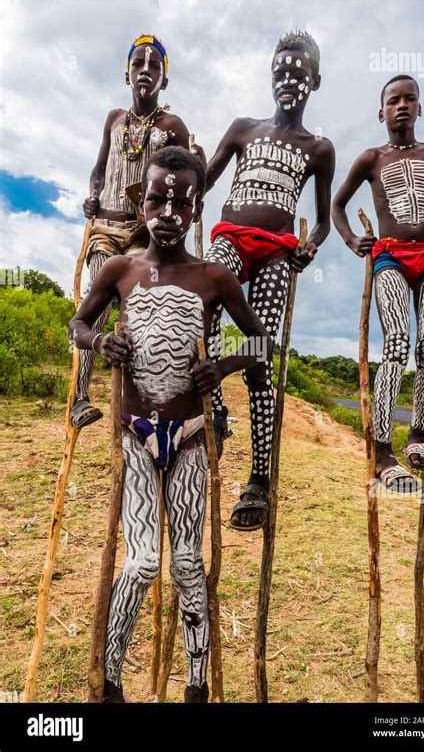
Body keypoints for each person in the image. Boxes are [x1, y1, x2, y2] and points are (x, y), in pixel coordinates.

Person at [68, 147, 271, 702]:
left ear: (197, 208)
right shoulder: (122, 268)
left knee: (186, 563)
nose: (167, 211)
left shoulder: (214, 277)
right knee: (139, 563)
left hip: (187, 439)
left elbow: (259, 341)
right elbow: (78, 322)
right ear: (142, 198)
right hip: (135, 434)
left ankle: (196, 687)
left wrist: (221, 366)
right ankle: (109, 680)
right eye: (157, 197)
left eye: (181, 201)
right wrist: (101, 341)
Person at [204, 30, 335, 529]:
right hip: (231, 237)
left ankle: (258, 478)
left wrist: (310, 246)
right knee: (204, 299)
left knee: (261, 355)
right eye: (281, 71)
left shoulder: (318, 148)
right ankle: (216, 407)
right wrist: (188, 174)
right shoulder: (243, 128)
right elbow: (209, 175)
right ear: (270, 75)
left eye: (299, 73)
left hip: (278, 253)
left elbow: (322, 219)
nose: (288, 80)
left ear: (315, 82)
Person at [331, 74, 424, 492]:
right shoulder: (370, 158)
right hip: (390, 256)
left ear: (420, 108)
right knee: (396, 342)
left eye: (410, 99)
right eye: (394, 100)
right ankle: (381, 451)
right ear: (381, 112)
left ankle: (419, 437)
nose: (402, 105)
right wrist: (352, 239)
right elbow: (336, 204)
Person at [71, 33, 204, 429]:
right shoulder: (114, 119)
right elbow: (99, 168)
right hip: (105, 229)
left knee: (145, 313)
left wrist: (194, 192)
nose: (145, 70)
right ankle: (80, 397)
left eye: (155, 66)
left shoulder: (172, 125)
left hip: (145, 233)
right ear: (126, 73)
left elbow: (191, 176)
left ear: (165, 79)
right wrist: (92, 197)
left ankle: (150, 402)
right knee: (95, 303)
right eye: (138, 64)